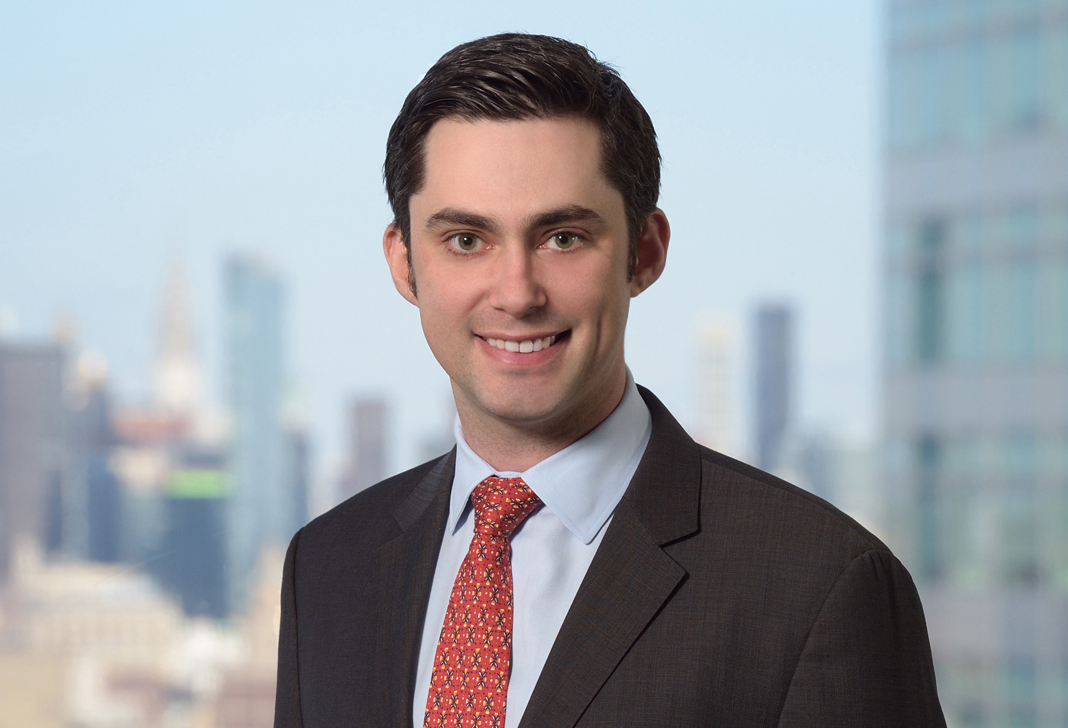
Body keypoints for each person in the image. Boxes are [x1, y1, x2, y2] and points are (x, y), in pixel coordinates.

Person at [273, 33, 946, 728]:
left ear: (644, 253)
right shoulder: (328, 568)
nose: (516, 293)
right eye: (466, 240)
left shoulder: (821, 587)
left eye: (562, 237)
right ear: (404, 263)